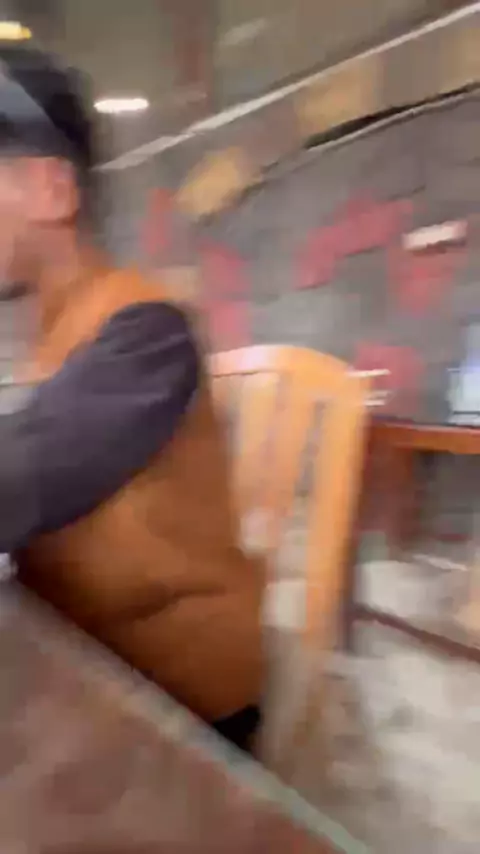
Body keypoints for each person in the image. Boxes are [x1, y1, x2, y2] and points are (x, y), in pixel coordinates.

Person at [0, 44, 264, 753]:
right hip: (90, 669)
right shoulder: (53, 333)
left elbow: (25, 469)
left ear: (51, 190)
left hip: (182, 708)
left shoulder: (148, 332)